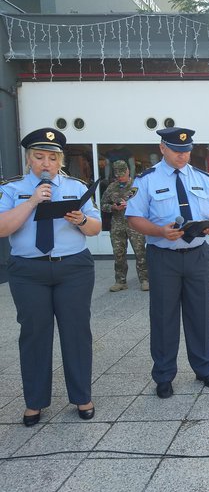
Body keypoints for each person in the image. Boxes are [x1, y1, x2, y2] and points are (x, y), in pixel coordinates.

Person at [0, 128, 101, 426]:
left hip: (74, 268)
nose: (46, 163)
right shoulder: (11, 188)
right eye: (40, 157)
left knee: (77, 332)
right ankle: (35, 401)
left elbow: (95, 228)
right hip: (29, 271)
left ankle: (82, 396)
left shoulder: (75, 186)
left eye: (52, 158)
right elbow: (3, 228)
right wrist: (31, 202)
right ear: (29, 159)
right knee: (34, 334)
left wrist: (81, 220)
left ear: (60, 161)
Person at [125, 127, 209, 399]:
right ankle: (164, 375)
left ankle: (204, 368)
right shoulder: (146, 179)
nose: (183, 156)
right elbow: (133, 216)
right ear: (163, 148)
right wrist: (159, 232)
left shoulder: (202, 178)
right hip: (163, 256)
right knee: (163, 317)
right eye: (177, 151)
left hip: (197, 255)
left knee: (199, 314)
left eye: (187, 151)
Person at [101, 160, 149, 292]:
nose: (120, 177)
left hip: (135, 224)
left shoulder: (137, 185)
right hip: (117, 225)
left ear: (128, 170)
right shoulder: (111, 187)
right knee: (118, 254)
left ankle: (145, 279)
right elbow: (103, 205)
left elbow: (148, 204)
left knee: (140, 253)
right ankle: (120, 281)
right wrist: (113, 207)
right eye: (117, 174)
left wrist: (133, 206)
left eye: (122, 173)